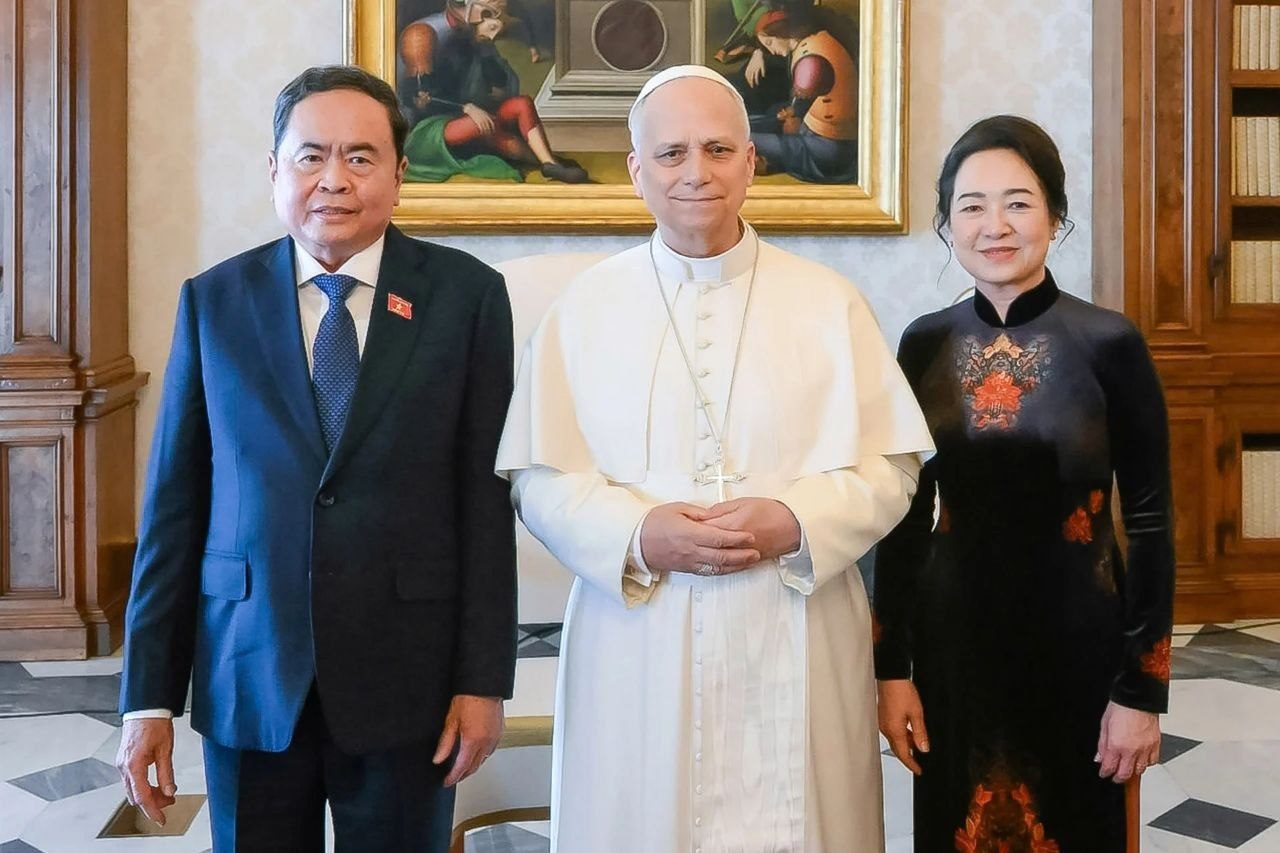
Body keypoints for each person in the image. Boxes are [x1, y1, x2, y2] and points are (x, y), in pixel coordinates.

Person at [497, 64, 934, 852]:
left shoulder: (829, 301)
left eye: (718, 148)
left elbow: (893, 468)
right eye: (670, 154)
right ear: (636, 170)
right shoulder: (583, 309)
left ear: (751, 162)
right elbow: (539, 477)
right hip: (642, 629)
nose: (694, 171)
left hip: (795, 618)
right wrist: (636, 536)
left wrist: (796, 519)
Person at [115, 65, 518, 852]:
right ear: (274, 171)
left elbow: (483, 502)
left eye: (361, 157)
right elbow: (175, 507)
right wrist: (146, 699)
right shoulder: (214, 302)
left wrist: (483, 678)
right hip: (249, 672)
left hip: (409, 676)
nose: (334, 179)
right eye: (310, 156)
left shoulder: (467, 298)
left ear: (401, 174)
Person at [873, 115, 1174, 852]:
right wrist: (892, 671)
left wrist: (1142, 691)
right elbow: (903, 519)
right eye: (971, 205)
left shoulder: (1110, 342)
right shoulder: (924, 342)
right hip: (954, 651)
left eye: (1018, 201)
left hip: (1079, 649)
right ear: (947, 224)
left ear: (1055, 214)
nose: (994, 225)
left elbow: (1152, 519)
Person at [398, 0, 587, 183]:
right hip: (429, 129)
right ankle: (541, 160)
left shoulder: (471, 35)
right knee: (486, 124)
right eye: (489, 14)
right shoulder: (422, 34)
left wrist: (485, 47)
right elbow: (418, 98)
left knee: (521, 104)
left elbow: (499, 86)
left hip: (467, 116)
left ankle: (549, 163)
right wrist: (467, 108)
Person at [750, 9, 859, 184]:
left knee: (747, 138)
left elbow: (794, 120)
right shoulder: (817, 41)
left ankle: (769, 162)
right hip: (821, 137)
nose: (770, 50)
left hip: (827, 149)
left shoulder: (811, 59)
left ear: (783, 32)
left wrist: (790, 117)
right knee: (758, 120)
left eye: (770, 42)